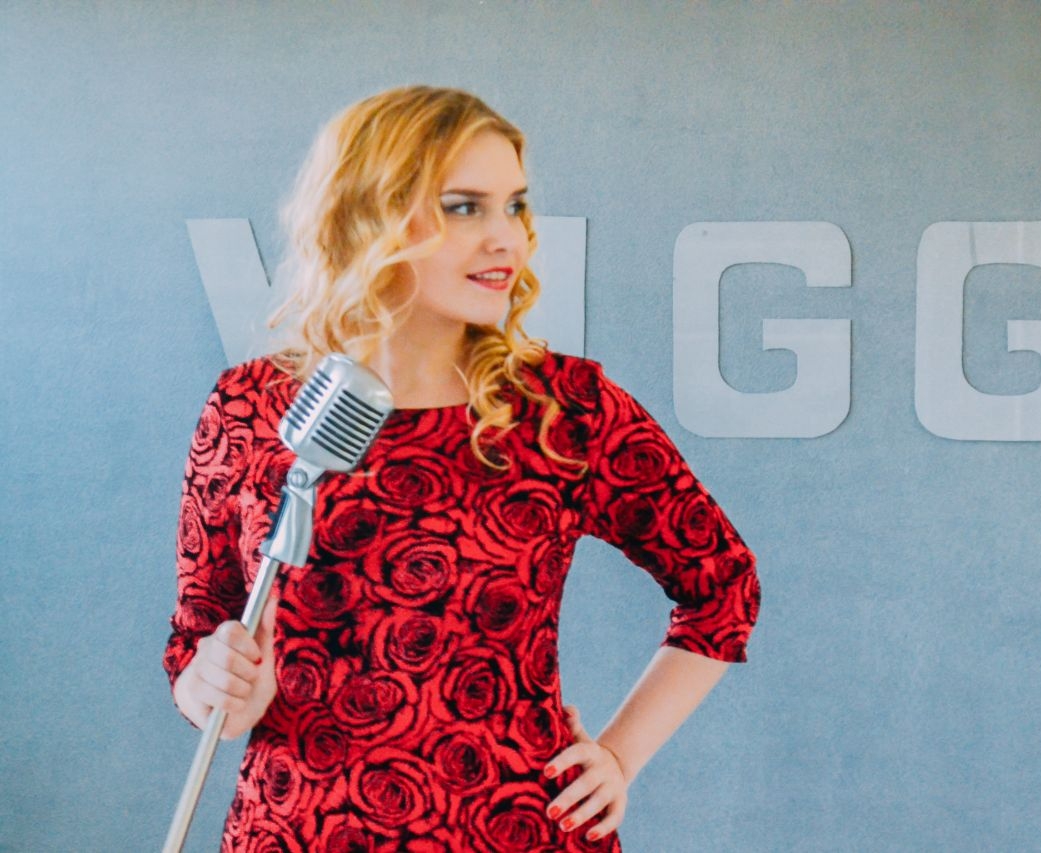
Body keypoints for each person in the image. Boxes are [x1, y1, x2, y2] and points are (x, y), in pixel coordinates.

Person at [164, 85, 760, 852]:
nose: (506, 237)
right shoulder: (249, 406)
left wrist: (619, 754)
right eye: (464, 207)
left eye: (514, 205)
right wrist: (215, 686)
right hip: (297, 832)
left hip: (518, 831)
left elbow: (724, 583)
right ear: (369, 215)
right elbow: (197, 631)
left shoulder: (563, 408)